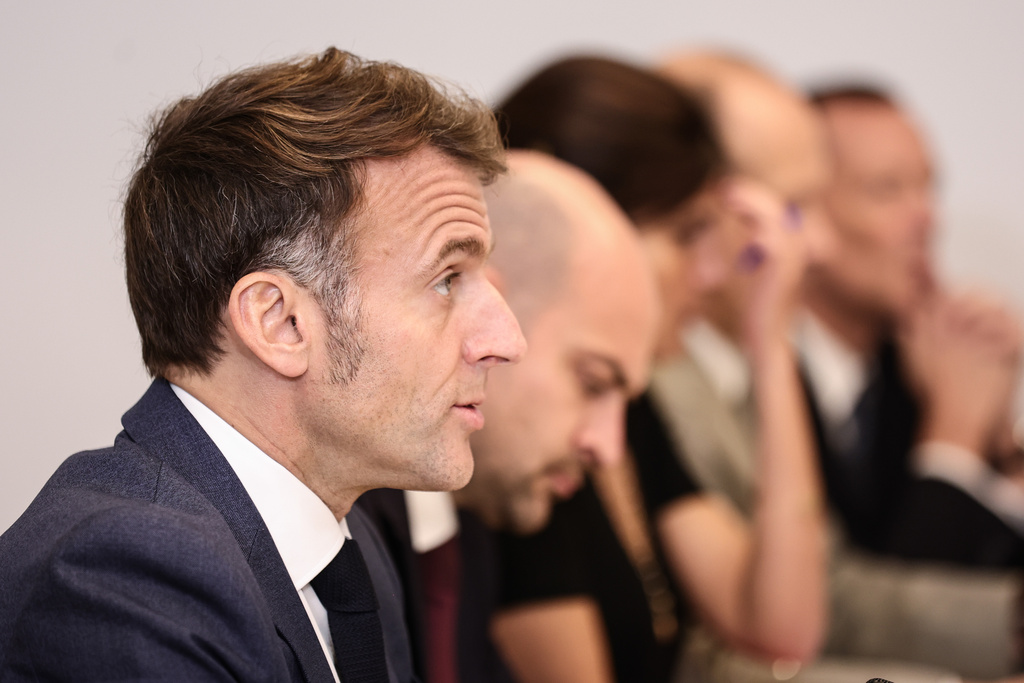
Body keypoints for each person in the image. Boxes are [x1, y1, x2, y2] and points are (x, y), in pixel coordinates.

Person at [0, 47, 525, 682]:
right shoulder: (124, 576)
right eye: (447, 279)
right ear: (279, 322)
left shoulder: (346, 549)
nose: (506, 338)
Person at [654, 50, 1024, 681]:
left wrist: (998, 456)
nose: (814, 244)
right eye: (887, 190)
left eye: (929, 186)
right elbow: (801, 623)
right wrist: (952, 440)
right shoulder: (681, 381)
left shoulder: (915, 360)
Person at [491, 55, 828, 683]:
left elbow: (782, 625)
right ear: (591, 227)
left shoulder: (629, 410)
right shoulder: (514, 447)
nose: (710, 272)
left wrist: (771, 345)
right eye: (684, 233)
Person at [357, 149, 660, 683]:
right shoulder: (348, 528)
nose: (607, 448)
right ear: (490, 313)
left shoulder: (463, 529)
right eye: (592, 382)